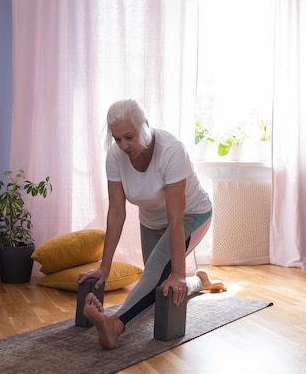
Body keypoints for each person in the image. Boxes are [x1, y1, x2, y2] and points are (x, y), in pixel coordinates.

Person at [77, 99, 226, 350]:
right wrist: (105, 267)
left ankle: (115, 325)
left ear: (145, 126)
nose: (124, 146)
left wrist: (178, 273)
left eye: (129, 137)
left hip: (192, 215)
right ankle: (200, 281)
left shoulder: (171, 151)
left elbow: (175, 217)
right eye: (117, 139)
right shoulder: (115, 157)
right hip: (151, 221)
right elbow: (116, 213)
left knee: (159, 272)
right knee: (159, 289)